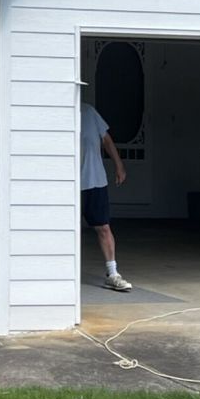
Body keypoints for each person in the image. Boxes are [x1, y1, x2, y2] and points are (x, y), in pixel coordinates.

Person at [81, 98, 132, 291]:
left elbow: (106, 139)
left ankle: (113, 273)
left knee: (103, 227)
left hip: (94, 180)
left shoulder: (89, 112)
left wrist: (119, 165)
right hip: (68, 183)